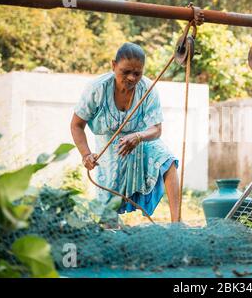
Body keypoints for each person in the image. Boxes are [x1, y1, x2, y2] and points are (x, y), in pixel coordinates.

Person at [70, 42, 180, 222]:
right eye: (125, 71)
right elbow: (76, 125)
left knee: (167, 160)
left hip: (141, 141)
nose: (131, 78)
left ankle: (177, 223)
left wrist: (138, 136)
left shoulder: (148, 89)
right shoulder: (97, 88)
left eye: (137, 73)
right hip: (109, 148)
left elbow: (157, 129)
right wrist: (86, 154)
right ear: (114, 65)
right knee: (108, 213)